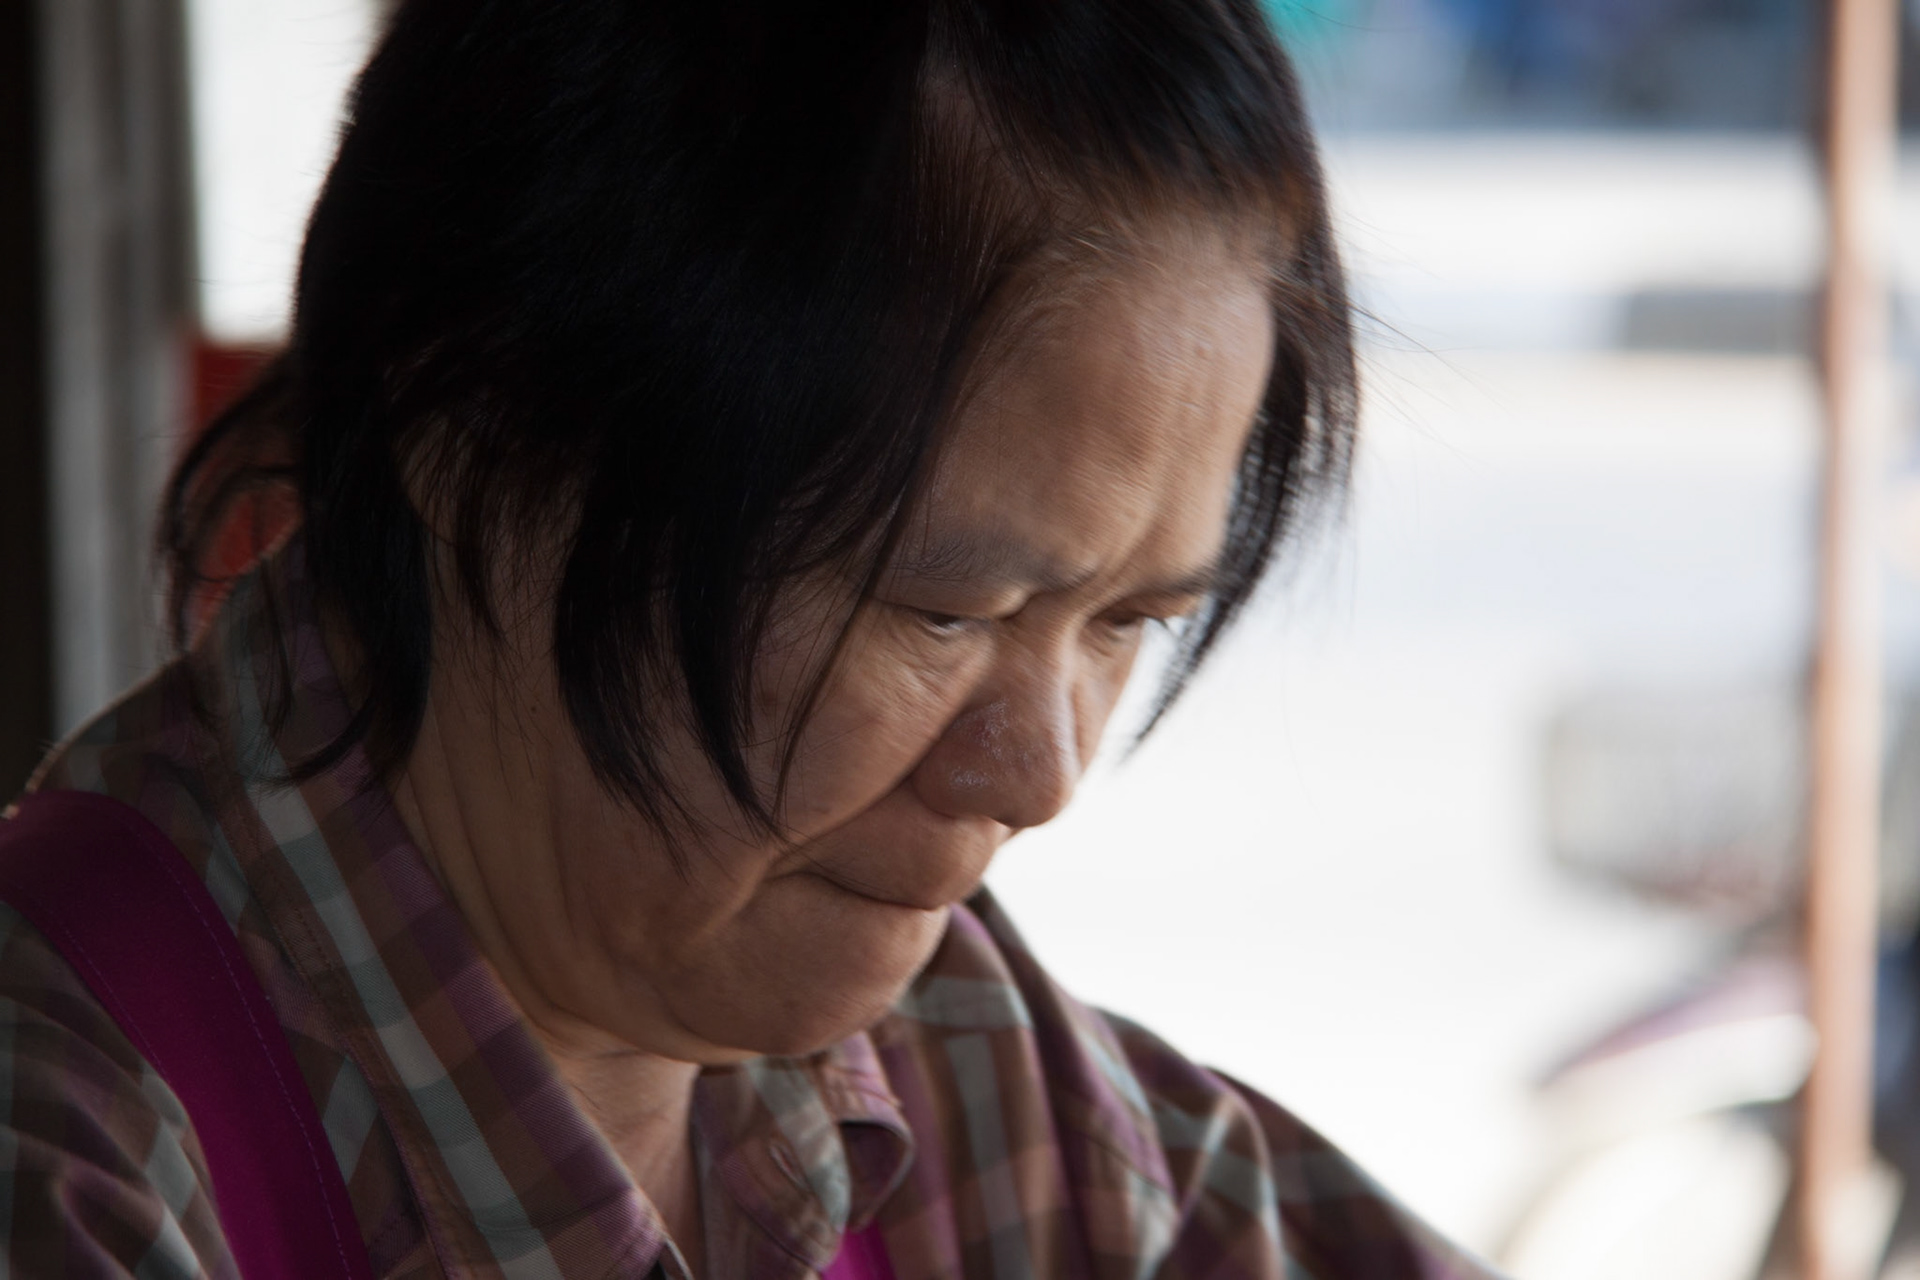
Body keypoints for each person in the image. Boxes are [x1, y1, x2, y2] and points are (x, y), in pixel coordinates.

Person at [1, 1, 1501, 1276]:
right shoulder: (75, 1151)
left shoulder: (980, 1080)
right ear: (474, 438)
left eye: (1130, 622)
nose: (1037, 775)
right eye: (945, 611)